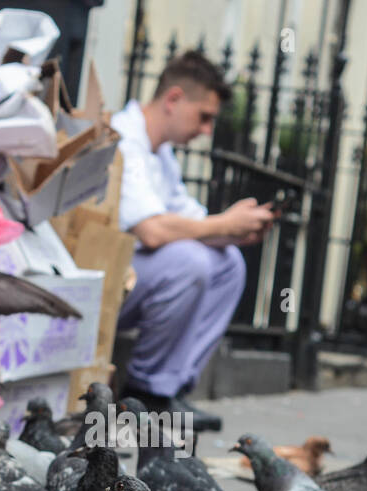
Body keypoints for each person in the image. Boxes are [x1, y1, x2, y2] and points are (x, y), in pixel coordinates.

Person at [111, 51, 277, 432]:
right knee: (191, 261)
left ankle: (171, 389)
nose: (206, 131)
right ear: (173, 99)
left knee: (229, 262)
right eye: (204, 117)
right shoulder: (124, 141)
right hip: (107, 287)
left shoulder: (161, 153)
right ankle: (144, 393)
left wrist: (233, 230)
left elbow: (189, 218)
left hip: (138, 282)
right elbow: (152, 229)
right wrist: (221, 223)